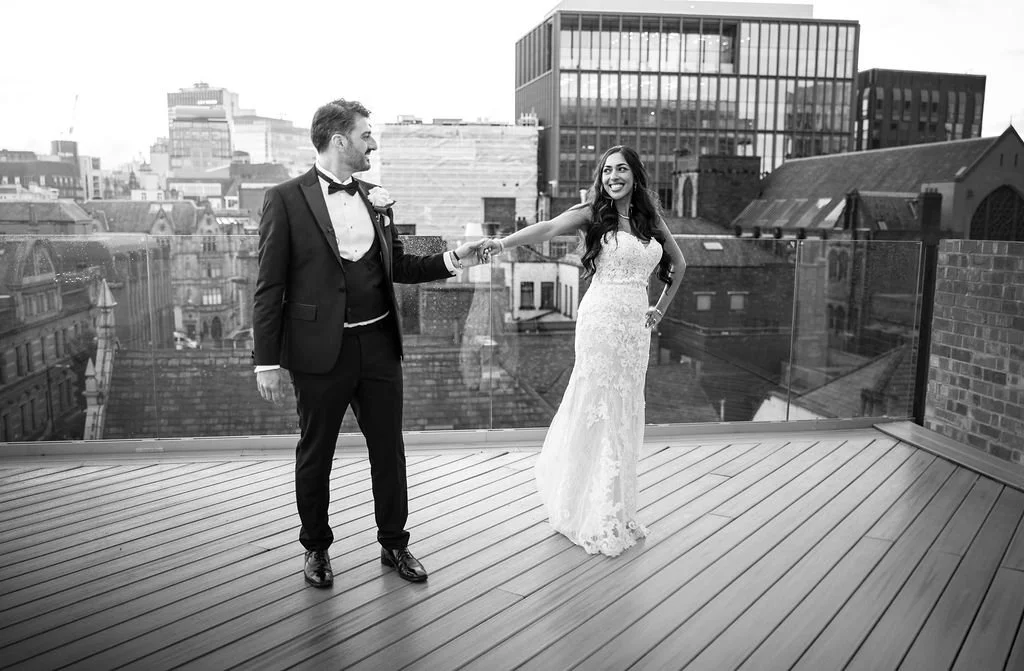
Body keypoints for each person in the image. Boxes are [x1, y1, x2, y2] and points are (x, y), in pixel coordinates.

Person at [253, 98, 483, 588]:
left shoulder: (377, 197)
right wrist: (266, 362)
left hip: (378, 345)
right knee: (316, 453)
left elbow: (398, 263)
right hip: (319, 353)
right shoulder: (284, 199)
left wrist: (454, 257)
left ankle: (394, 543)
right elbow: (268, 287)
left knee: (389, 449)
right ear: (340, 141)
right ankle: (316, 548)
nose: (373, 144)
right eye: (366, 136)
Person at [479, 145, 686, 557]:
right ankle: (591, 510)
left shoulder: (650, 219)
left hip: (634, 329)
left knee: (625, 407)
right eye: (607, 170)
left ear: (635, 175)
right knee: (599, 405)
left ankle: (617, 505)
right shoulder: (593, 213)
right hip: (600, 321)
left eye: (622, 169)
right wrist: (502, 244)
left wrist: (658, 310)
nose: (614, 176)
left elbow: (679, 266)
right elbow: (547, 228)